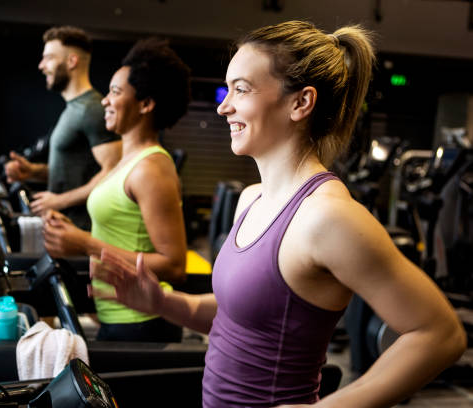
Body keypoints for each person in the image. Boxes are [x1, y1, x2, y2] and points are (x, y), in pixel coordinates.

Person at [89, 21, 467, 407]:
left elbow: (440, 333)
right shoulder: (251, 198)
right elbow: (241, 316)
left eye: (242, 88)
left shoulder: (327, 217)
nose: (224, 106)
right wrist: (162, 303)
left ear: (300, 103)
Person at [43, 38, 191, 342]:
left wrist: (85, 243)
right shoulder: (128, 160)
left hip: (143, 322)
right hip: (118, 315)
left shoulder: (152, 168)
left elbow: (174, 265)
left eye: (115, 92)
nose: (105, 101)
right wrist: (72, 232)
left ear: (146, 104)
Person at [5, 26, 122, 230]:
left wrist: (60, 201)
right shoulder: (74, 108)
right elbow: (74, 171)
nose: (42, 66)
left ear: (72, 61)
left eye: (49, 58)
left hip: (82, 230)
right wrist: (32, 171)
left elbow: (113, 171)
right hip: (63, 229)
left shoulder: (92, 109)